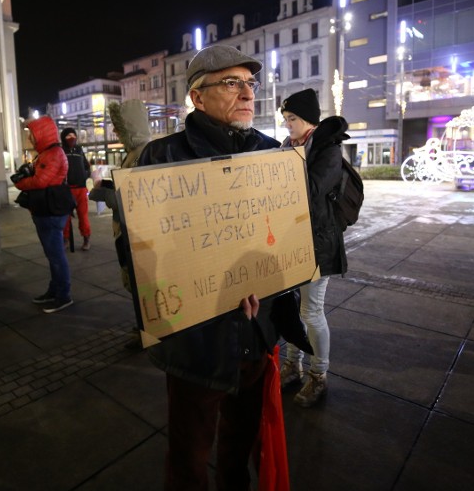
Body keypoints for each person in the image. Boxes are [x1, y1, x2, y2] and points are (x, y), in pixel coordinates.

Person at [135, 45, 310, 490]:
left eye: (250, 83)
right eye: (232, 83)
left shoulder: (274, 155)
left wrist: (266, 281)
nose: (247, 92)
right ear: (197, 96)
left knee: (239, 450)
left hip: (258, 333)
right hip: (197, 343)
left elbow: (289, 235)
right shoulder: (160, 160)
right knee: (190, 458)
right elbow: (141, 255)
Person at [278, 88, 349, 407]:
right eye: (285, 119)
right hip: (290, 240)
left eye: (291, 118)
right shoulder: (286, 146)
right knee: (294, 311)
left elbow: (314, 189)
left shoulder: (328, 148)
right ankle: (293, 366)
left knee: (311, 310)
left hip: (318, 243)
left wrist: (278, 180)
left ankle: (318, 375)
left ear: (307, 119)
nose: (287, 125)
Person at [88, 99, 151, 292]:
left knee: (140, 286)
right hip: (130, 232)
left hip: (135, 234)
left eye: (118, 127)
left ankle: (146, 322)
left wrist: (99, 189)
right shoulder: (138, 152)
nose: (115, 132)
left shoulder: (142, 155)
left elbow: (129, 200)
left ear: (129, 128)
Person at [13, 115, 74, 314]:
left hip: (50, 211)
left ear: (41, 133)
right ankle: (54, 290)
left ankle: (63, 296)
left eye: (31, 134)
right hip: (44, 209)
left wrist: (21, 183)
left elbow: (40, 182)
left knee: (56, 256)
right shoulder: (47, 153)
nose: (30, 138)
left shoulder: (54, 154)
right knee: (52, 255)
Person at [60, 127, 92, 251]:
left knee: (83, 216)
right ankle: (66, 239)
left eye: (73, 136)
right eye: (68, 136)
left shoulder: (79, 149)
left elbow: (86, 166)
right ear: (64, 138)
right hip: (67, 190)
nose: (72, 138)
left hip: (81, 189)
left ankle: (86, 238)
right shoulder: (61, 150)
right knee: (66, 217)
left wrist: (85, 175)